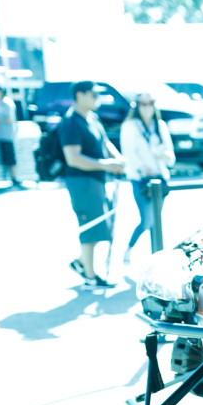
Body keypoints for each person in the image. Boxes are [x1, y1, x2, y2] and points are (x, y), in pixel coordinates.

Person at [59, 81, 124, 289]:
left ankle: (81, 264)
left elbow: (105, 143)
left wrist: (117, 158)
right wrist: (107, 165)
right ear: (80, 95)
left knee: (99, 227)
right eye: (93, 94)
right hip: (81, 182)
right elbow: (73, 158)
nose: (98, 98)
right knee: (90, 228)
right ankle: (89, 276)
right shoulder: (70, 123)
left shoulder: (92, 118)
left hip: (96, 180)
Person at [119, 93, 175, 267]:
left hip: (160, 180)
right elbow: (128, 153)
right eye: (142, 104)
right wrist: (144, 168)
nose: (146, 107)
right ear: (137, 106)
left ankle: (156, 257)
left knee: (156, 222)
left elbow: (171, 156)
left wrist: (161, 155)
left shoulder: (159, 126)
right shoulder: (130, 126)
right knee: (147, 220)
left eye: (150, 103)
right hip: (141, 179)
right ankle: (129, 248)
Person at [0, 86, 22, 188]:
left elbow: (9, 119)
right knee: (5, 158)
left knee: (10, 158)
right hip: (2, 135)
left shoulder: (6, 103)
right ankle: (8, 178)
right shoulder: (0, 102)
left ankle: (14, 178)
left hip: (7, 135)